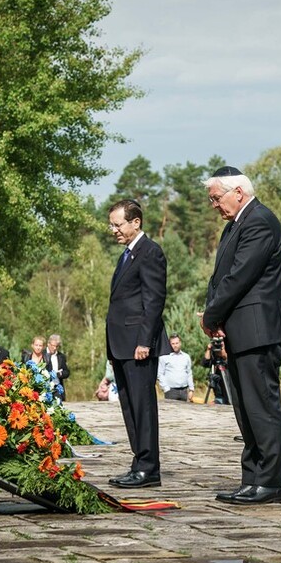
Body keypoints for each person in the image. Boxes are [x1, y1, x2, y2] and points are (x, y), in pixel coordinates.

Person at [201, 166, 281, 505]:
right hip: (241, 329)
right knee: (244, 409)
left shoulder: (259, 220)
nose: (214, 205)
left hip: (260, 329)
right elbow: (220, 278)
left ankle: (270, 483)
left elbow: (240, 277)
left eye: (216, 198)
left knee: (262, 408)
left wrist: (211, 315)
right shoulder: (235, 225)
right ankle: (252, 478)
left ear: (237, 192)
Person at [106, 198, 168, 489]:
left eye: (118, 225)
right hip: (121, 344)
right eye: (112, 225)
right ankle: (139, 463)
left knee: (143, 407)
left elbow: (153, 301)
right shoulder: (126, 255)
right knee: (130, 407)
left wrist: (145, 341)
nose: (113, 230)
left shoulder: (149, 252)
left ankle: (148, 468)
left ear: (135, 222)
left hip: (137, 345)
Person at [157, 334, 195, 402]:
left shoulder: (186, 357)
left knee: (185, 411)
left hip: (184, 391)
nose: (175, 345)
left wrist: (191, 389)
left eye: (177, 343)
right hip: (171, 391)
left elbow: (189, 373)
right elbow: (160, 374)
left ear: (180, 343)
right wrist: (166, 388)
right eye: (173, 343)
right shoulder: (164, 357)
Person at [200, 340, 230, 405]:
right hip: (219, 395)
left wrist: (224, 356)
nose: (218, 347)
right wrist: (208, 349)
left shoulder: (230, 353)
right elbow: (205, 363)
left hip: (230, 394)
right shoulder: (214, 357)